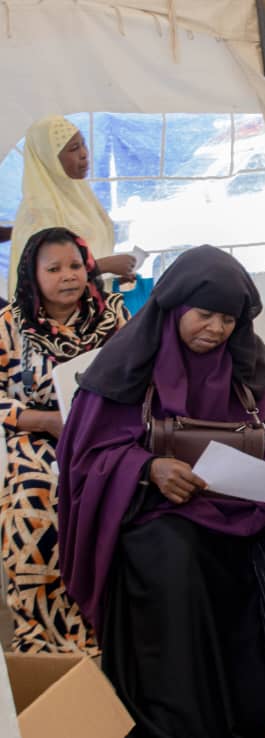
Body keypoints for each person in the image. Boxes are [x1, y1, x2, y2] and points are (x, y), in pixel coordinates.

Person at [57, 245, 265, 736]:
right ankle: (185, 709)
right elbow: (86, 454)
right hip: (162, 510)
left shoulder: (248, 358)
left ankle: (264, 694)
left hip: (245, 506)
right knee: (170, 550)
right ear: (175, 306)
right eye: (204, 315)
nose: (217, 329)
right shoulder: (127, 365)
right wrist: (148, 467)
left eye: (228, 319)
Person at [0, 227, 128, 654]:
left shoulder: (112, 314)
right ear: (32, 275)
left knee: (124, 493)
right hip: (38, 434)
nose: (68, 276)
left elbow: (141, 373)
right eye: (53, 269)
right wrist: (46, 421)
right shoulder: (9, 324)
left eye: (76, 265)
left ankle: (110, 629)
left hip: (108, 432)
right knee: (37, 495)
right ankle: (48, 636)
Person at [10, 116, 137, 295]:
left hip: (90, 302)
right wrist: (103, 266)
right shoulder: (38, 212)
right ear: (50, 159)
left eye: (83, 144)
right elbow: (39, 280)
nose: (84, 153)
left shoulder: (79, 196)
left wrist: (112, 274)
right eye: (74, 148)